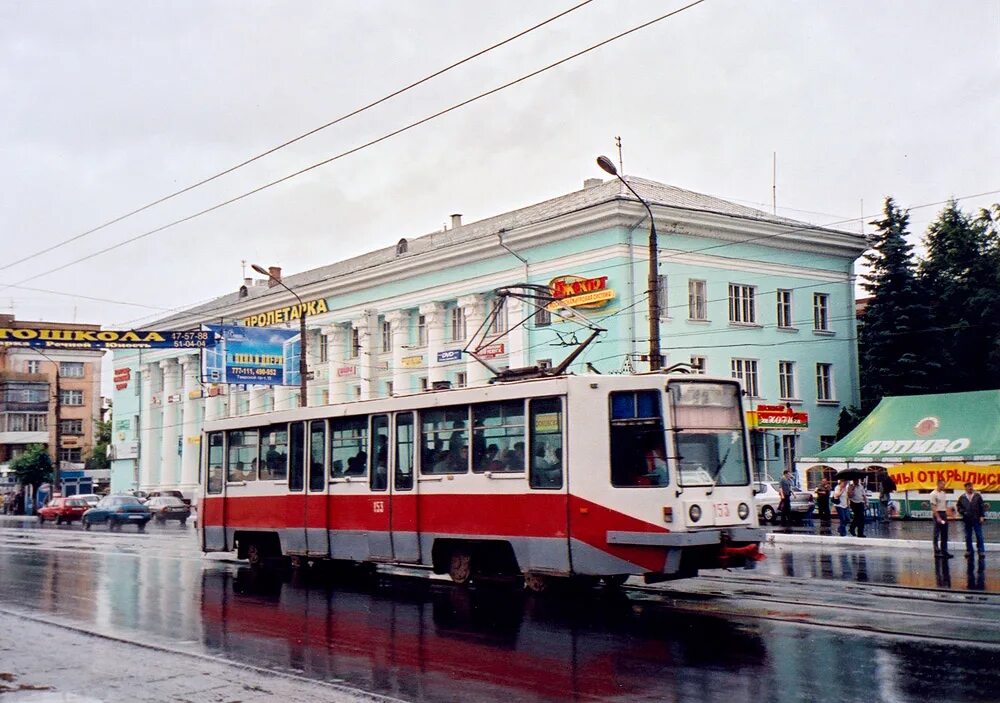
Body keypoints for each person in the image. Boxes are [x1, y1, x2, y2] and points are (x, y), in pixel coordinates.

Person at [956, 481, 986, 557]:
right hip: (967, 520)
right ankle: (969, 550)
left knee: (979, 535)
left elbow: (981, 506)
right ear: (965, 488)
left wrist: (982, 516)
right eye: (968, 486)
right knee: (968, 535)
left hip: (976, 519)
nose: (970, 488)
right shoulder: (962, 497)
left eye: (971, 486)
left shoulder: (977, 496)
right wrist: (963, 512)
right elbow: (959, 507)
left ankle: (981, 551)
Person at [929, 479, 952, 558]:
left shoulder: (943, 493)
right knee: (936, 533)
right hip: (938, 514)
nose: (944, 486)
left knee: (944, 533)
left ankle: (944, 551)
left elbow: (944, 504)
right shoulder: (933, 494)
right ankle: (936, 551)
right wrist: (937, 517)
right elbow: (933, 507)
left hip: (943, 514)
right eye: (943, 484)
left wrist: (947, 512)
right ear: (938, 484)